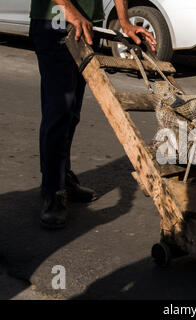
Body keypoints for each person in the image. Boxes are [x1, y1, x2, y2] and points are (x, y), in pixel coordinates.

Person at [29, 0, 157, 230]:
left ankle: (62, 176)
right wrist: (70, 11)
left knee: (72, 110)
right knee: (59, 108)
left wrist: (124, 21)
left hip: (88, 24)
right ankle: (52, 190)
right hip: (55, 19)